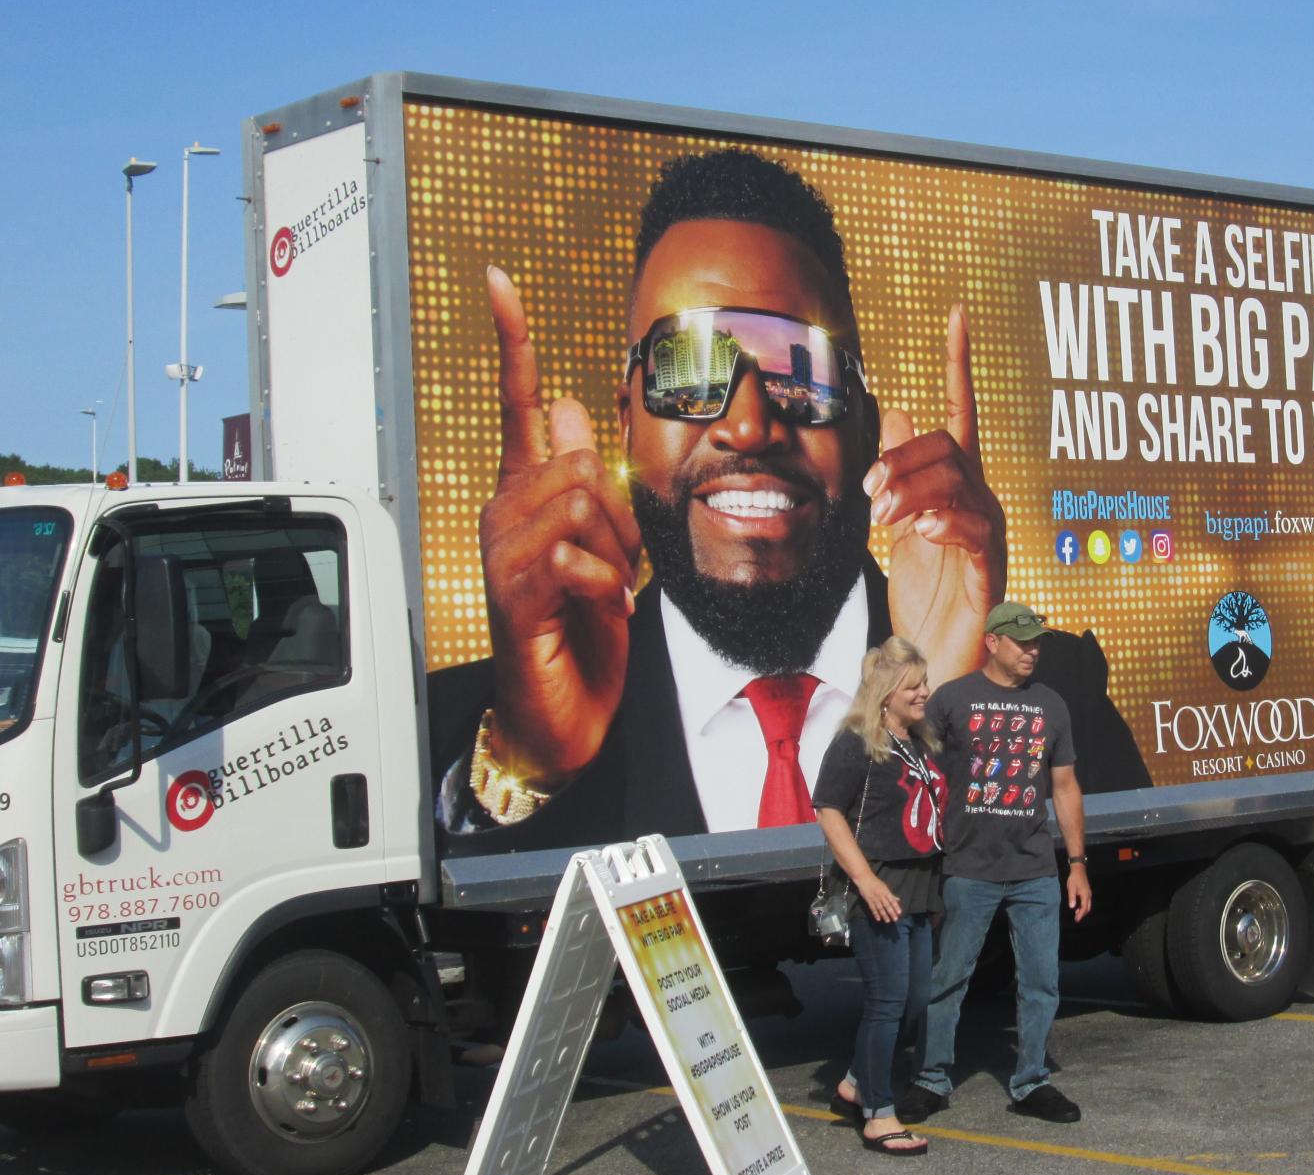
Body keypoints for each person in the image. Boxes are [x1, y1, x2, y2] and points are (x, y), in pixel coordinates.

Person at [429, 148, 1147, 851]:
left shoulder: (1049, 695)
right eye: (689, 368)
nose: (748, 425)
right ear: (626, 422)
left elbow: (1117, 940)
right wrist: (531, 765)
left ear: (867, 426)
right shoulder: (478, 724)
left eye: (802, 369)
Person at [899, 602, 1091, 1124]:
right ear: (991, 641)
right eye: (1021, 641)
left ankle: (1032, 1081)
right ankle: (931, 1078)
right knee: (949, 978)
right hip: (968, 868)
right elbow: (921, 782)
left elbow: (1065, 786)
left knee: (1041, 980)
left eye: (1036, 642)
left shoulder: (1051, 705)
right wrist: (924, 863)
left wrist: (1076, 863)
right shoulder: (952, 700)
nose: (1032, 651)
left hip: (1034, 868)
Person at [814, 636, 947, 1157]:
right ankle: (878, 1115)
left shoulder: (918, 741)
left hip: (918, 890)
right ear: (887, 692)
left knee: (913, 1000)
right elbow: (828, 810)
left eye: (924, 683)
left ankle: (854, 1082)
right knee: (888, 1002)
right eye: (914, 685)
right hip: (879, 890)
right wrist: (867, 881)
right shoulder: (856, 741)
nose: (924, 693)